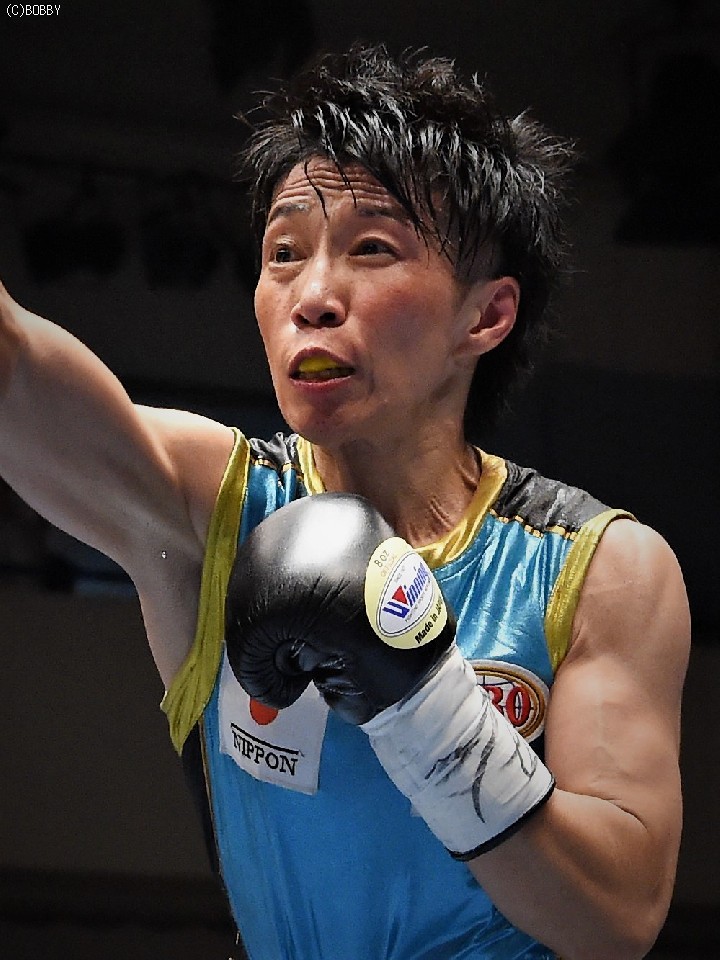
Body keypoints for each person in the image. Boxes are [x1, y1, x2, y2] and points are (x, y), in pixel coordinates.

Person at [0, 43, 689, 960]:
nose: (313, 296)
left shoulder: (598, 568)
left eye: (372, 249)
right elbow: (14, 375)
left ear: (486, 315)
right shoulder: (209, 509)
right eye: (282, 254)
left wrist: (426, 711)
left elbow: (618, 916)